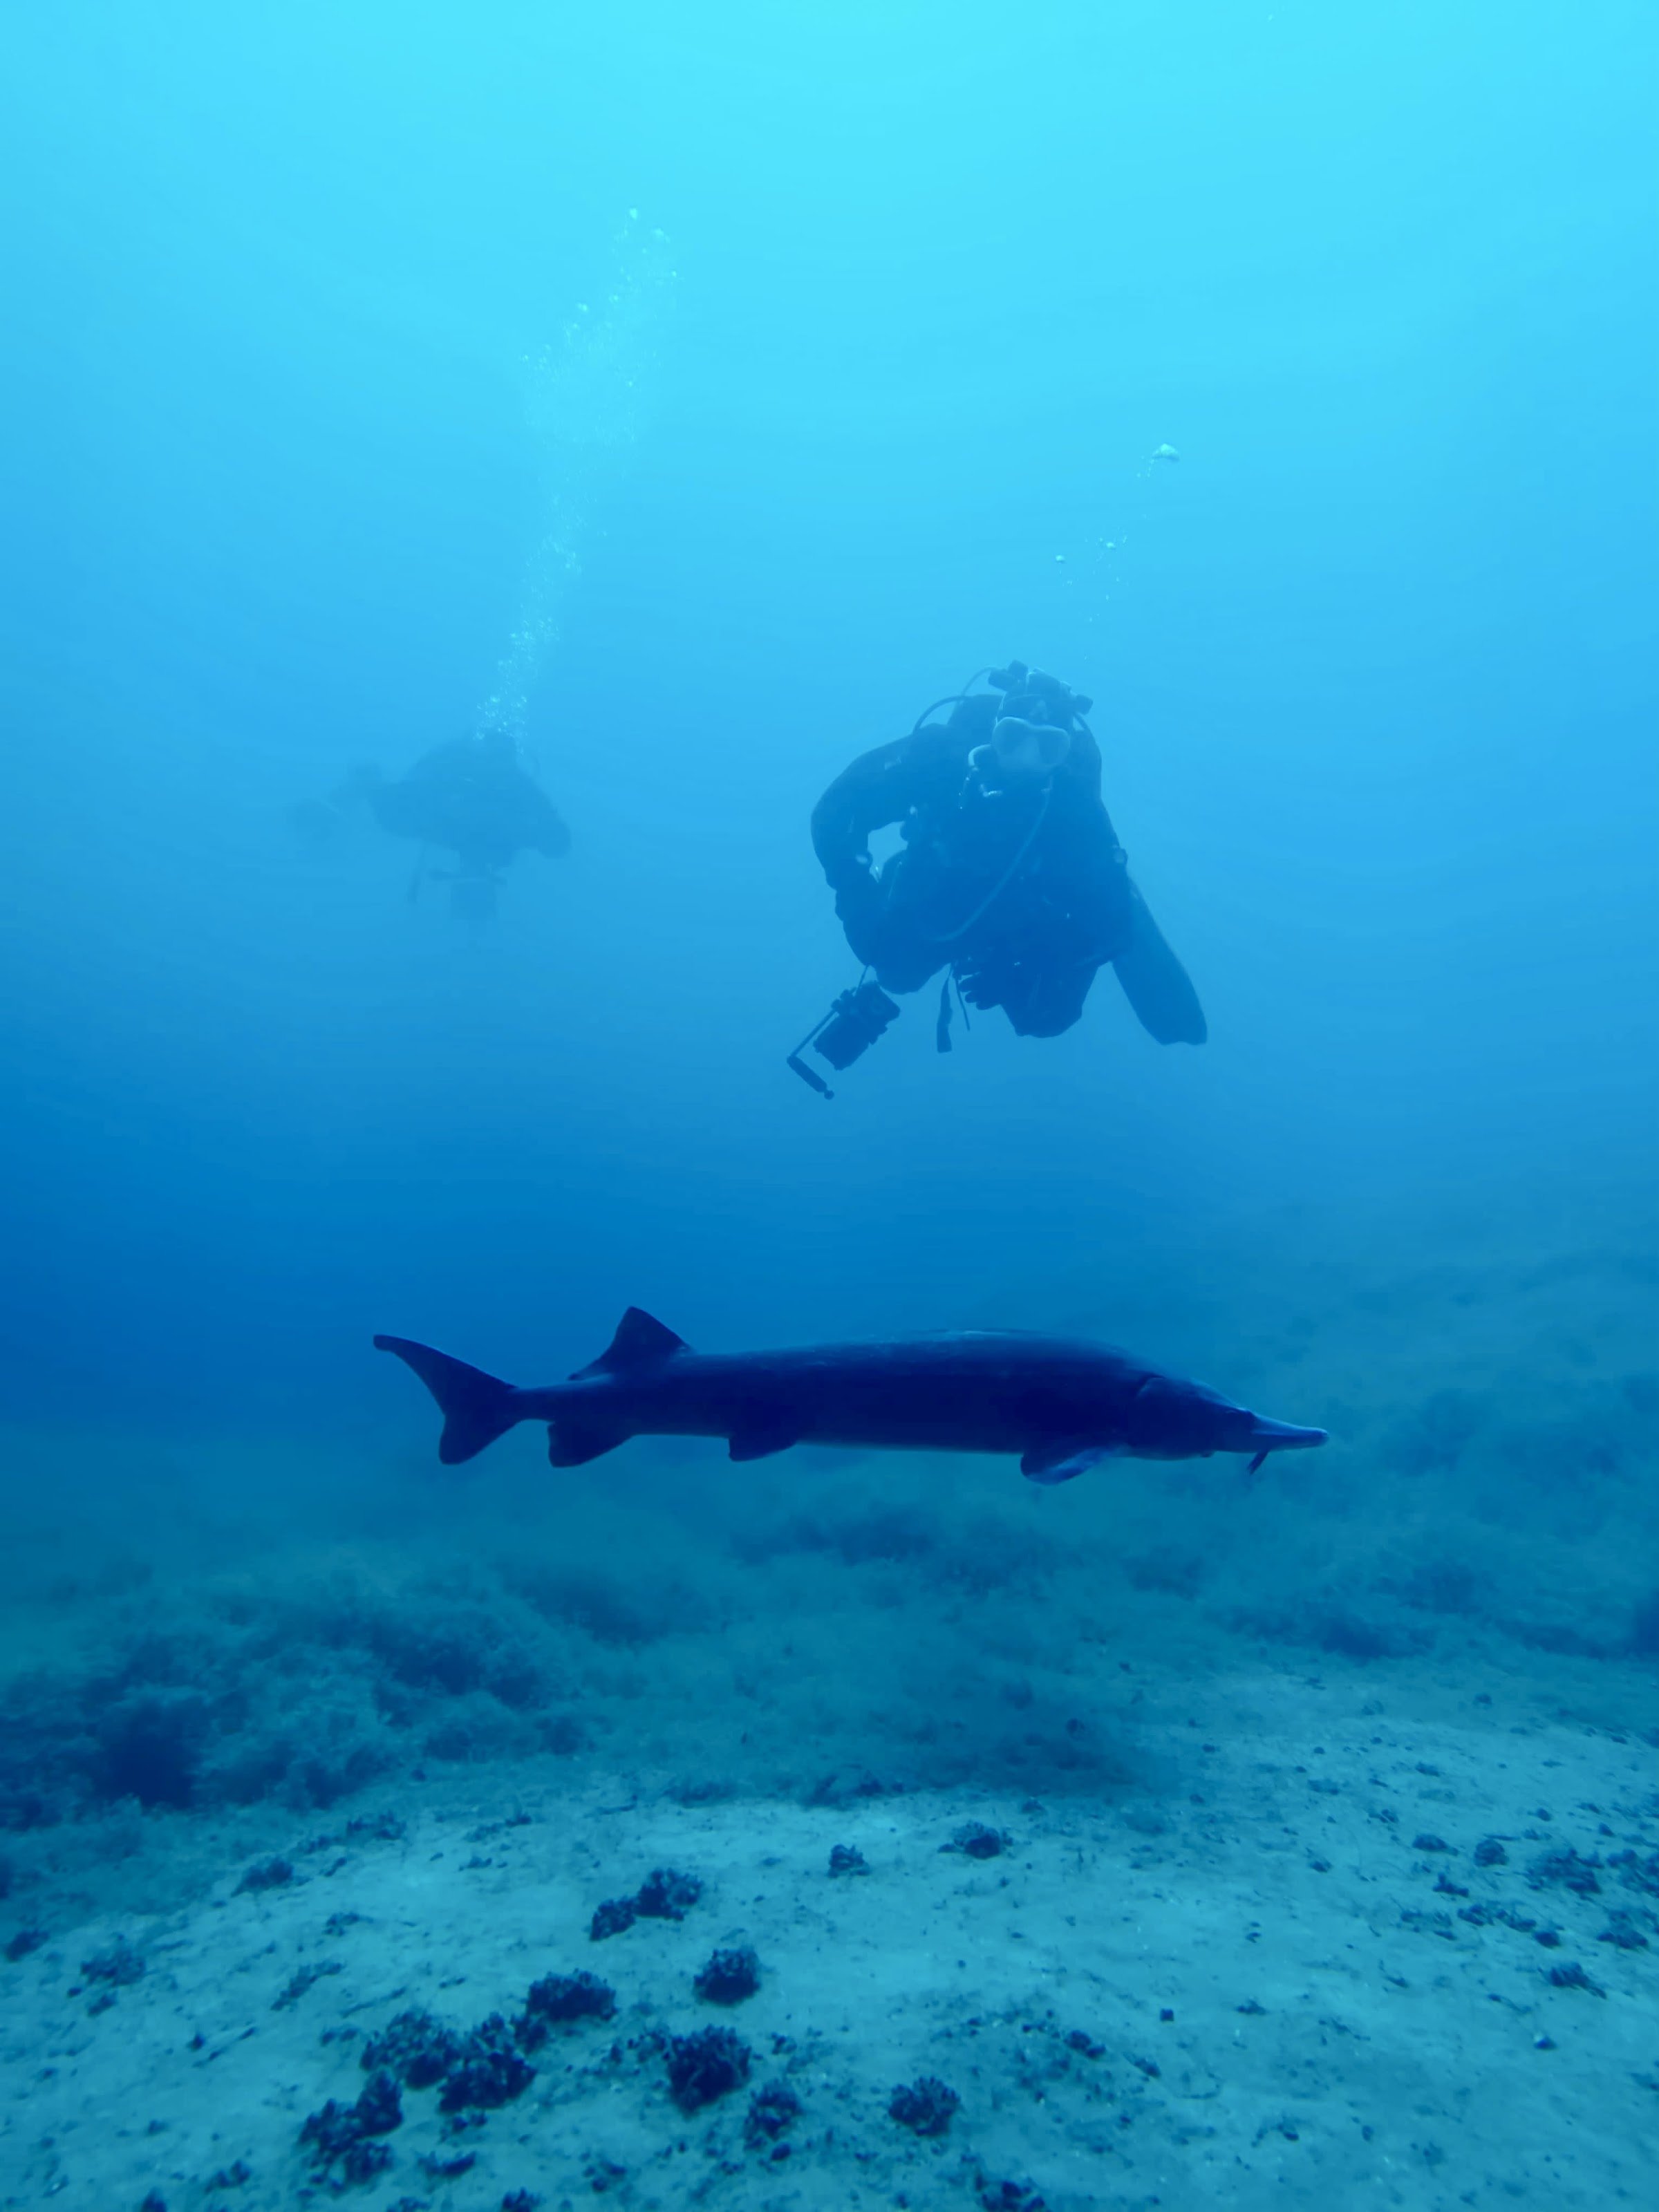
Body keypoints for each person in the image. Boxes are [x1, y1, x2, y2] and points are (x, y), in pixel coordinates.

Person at [808, 662, 1205, 1056]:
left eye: (1048, 747)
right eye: (1013, 739)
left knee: (1047, 1018)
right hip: (943, 879)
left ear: (1063, 755)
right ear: (994, 731)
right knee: (893, 972)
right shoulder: (939, 759)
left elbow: (1109, 923)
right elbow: (837, 811)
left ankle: (1116, 882)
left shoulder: (1075, 806)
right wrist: (856, 891)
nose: (1025, 761)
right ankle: (903, 878)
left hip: (1029, 905)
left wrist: (1039, 955)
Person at [342, 732, 570, 919]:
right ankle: (361, 786)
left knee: (398, 816)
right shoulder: (456, 765)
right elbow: (413, 791)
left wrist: (549, 834)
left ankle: (365, 785)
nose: (496, 766)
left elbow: (551, 828)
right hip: (444, 817)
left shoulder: (516, 785)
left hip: (456, 825)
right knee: (397, 814)